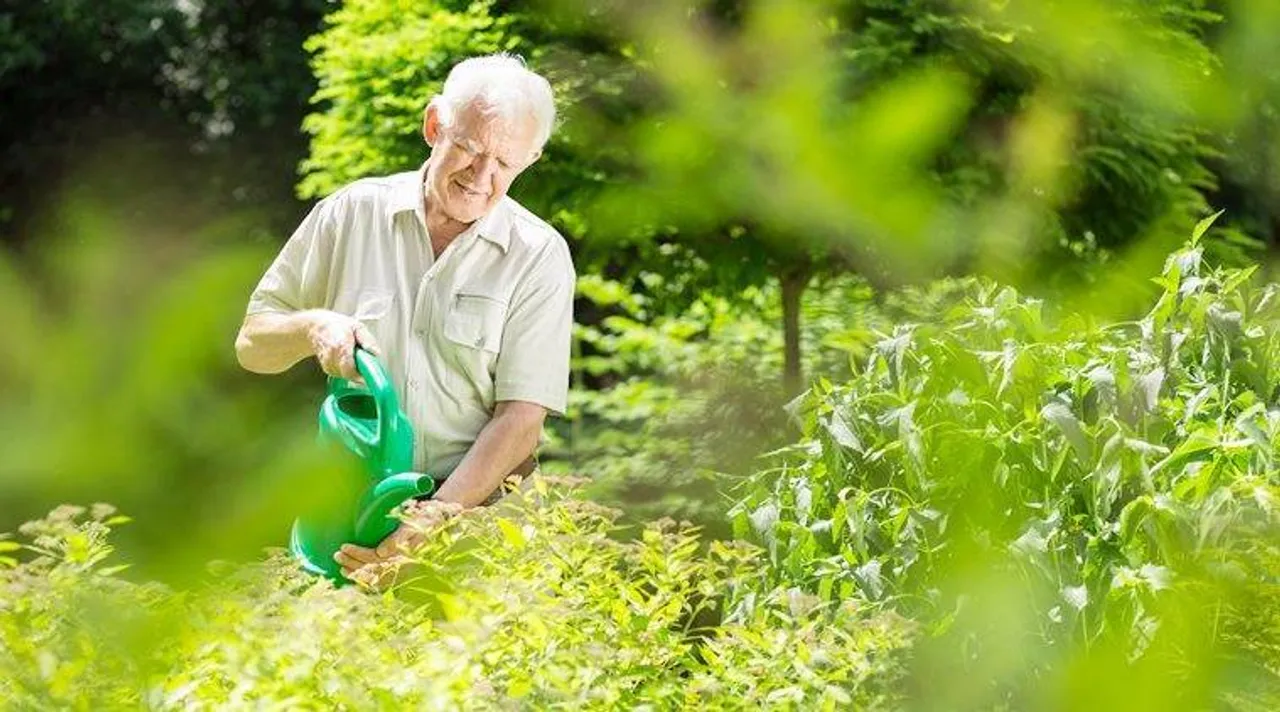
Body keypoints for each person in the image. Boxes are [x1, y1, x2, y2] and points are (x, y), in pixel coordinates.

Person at [234, 54, 574, 585]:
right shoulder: (349, 214)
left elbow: (521, 421)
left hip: (479, 522)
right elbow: (252, 344)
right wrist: (312, 327)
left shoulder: (538, 256)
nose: (482, 178)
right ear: (434, 125)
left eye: (505, 164)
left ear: (529, 160)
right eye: (470, 148)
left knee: (478, 668)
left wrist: (429, 522)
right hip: (350, 512)